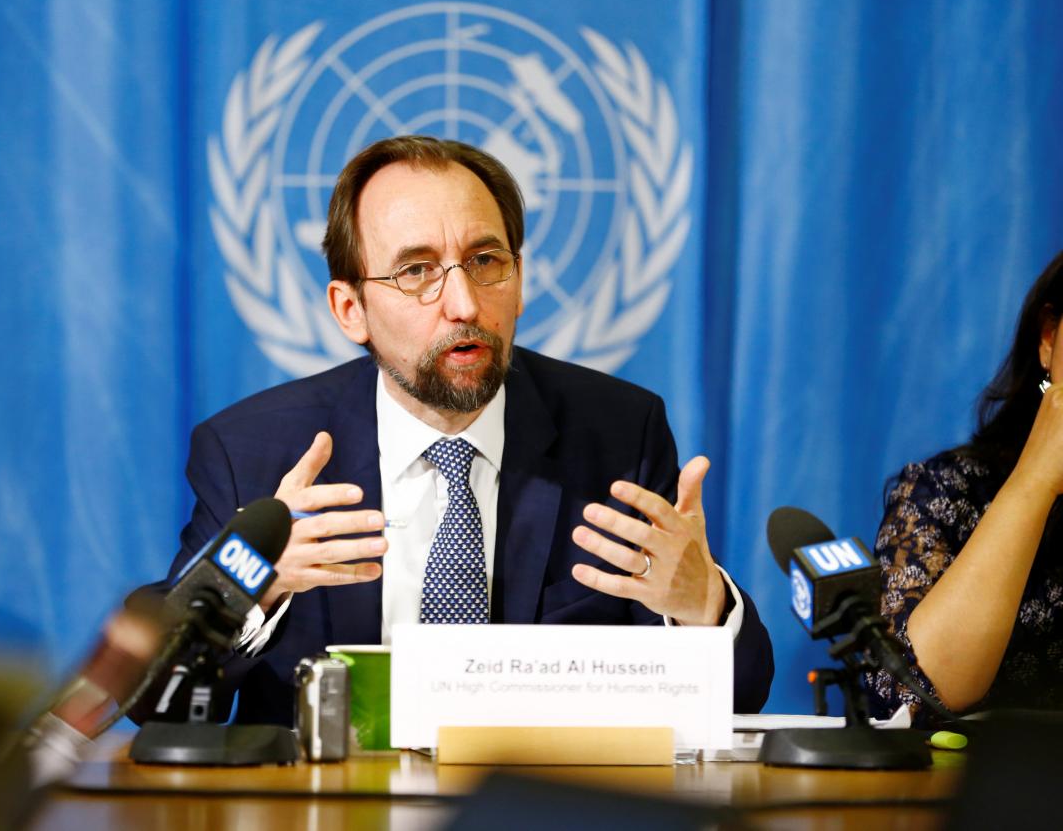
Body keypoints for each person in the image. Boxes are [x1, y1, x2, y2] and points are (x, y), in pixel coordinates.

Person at [161, 137, 773, 725]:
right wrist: (250, 586)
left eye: (485, 262)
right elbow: (158, 699)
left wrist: (702, 608)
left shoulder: (616, 434)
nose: (463, 305)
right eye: (415, 271)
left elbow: (736, 700)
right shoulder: (254, 453)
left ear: (520, 278)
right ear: (351, 310)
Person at [869, 251, 1063, 725]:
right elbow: (909, 694)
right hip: (983, 794)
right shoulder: (948, 493)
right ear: (1048, 338)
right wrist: (1035, 482)